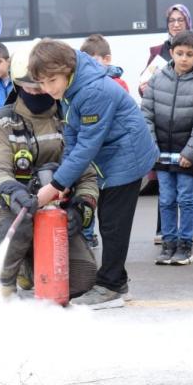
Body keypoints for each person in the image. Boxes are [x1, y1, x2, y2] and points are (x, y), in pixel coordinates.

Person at [29, 40, 158, 309]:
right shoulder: (72, 85)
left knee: (113, 224)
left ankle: (110, 287)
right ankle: (117, 280)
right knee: (110, 221)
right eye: (42, 83)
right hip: (112, 156)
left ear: (66, 69)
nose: (47, 88)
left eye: (52, 80)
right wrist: (66, 180)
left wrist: (53, 186)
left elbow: (88, 145)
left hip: (127, 157)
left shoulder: (92, 91)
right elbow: (73, 137)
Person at [0, 48, 99, 298]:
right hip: (10, 206)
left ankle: (31, 265)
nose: (37, 92)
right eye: (30, 87)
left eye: (42, 86)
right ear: (17, 85)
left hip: (56, 209)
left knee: (81, 280)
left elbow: (87, 175)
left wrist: (82, 207)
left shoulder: (69, 120)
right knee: (16, 218)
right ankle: (4, 279)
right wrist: (13, 191)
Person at [143, 4, 193, 244]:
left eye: (180, 19)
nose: (175, 24)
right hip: (164, 137)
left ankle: (192, 233)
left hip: (190, 132)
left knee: (190, 188)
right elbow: (146, 87)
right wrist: (145, 88)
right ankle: (165, 234)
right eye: (171, 20)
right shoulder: (158, 52)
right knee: (165, 192)